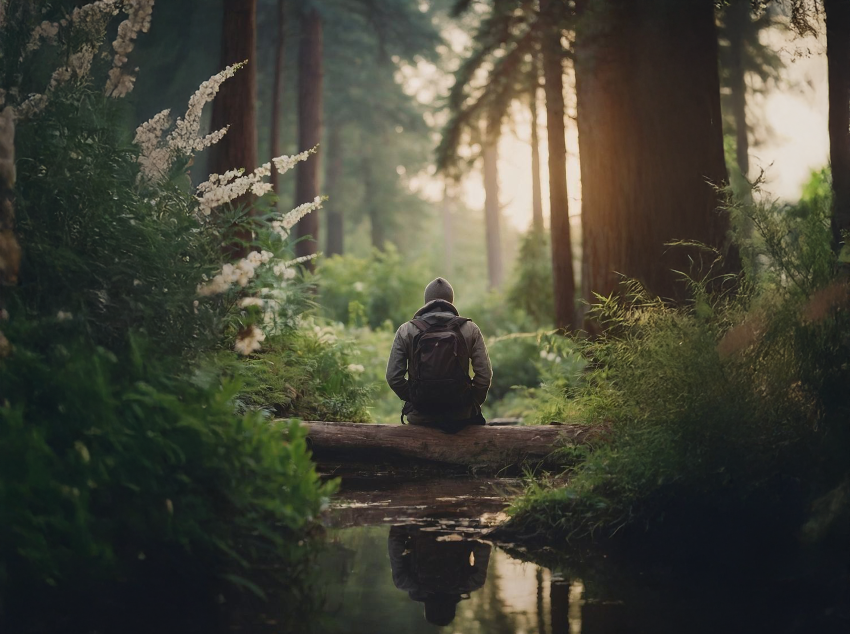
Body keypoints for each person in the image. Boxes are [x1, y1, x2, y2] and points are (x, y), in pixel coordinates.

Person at [386, 277, 492, 430]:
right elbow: (484, 376)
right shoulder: (470, 329)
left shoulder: (406, 330)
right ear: (451, 301)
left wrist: (416, 400)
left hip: (421, 418)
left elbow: (393, 377)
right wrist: (470, 403)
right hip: (461, 416)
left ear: (426, 301)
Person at [387, 524, 492, 627]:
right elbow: (394, 544)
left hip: (459, 527)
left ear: (452, 608)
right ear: (427, 607)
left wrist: (476, 527)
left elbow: (484, 545)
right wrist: (401, 526)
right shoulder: (405, 582)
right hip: (420, 527)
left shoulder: (473, 583)